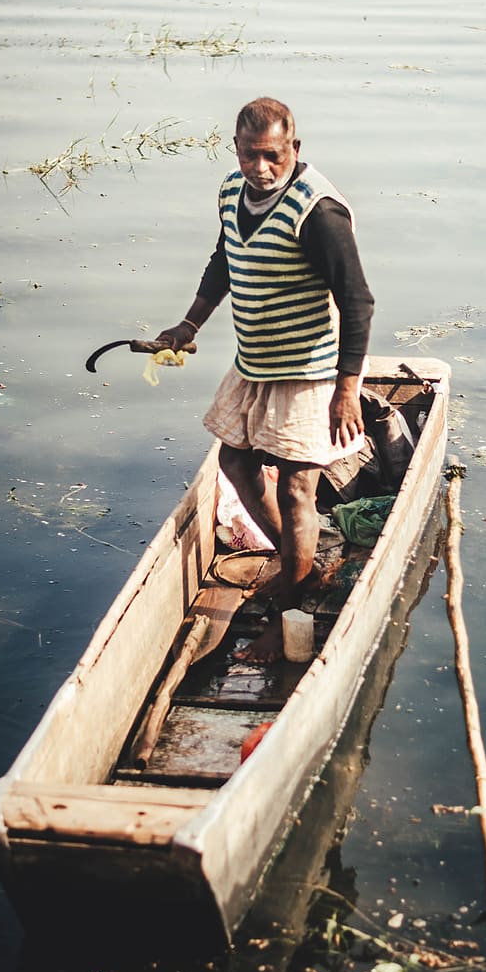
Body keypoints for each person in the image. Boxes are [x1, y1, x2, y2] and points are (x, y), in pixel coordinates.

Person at [153, 97, 374, 660]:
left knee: (299, 487)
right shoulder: (232, 191)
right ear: (235, 150)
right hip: (256, 360)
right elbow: (225, 260)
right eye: (250, 155)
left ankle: (293, 609)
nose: (261, 168)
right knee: (234, 463)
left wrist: (347, 390)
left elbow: (357, 301)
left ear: (294, 149)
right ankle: (302, 565)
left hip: (310, 368)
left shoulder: (318, 210)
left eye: (273, 155)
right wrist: (188, 322)